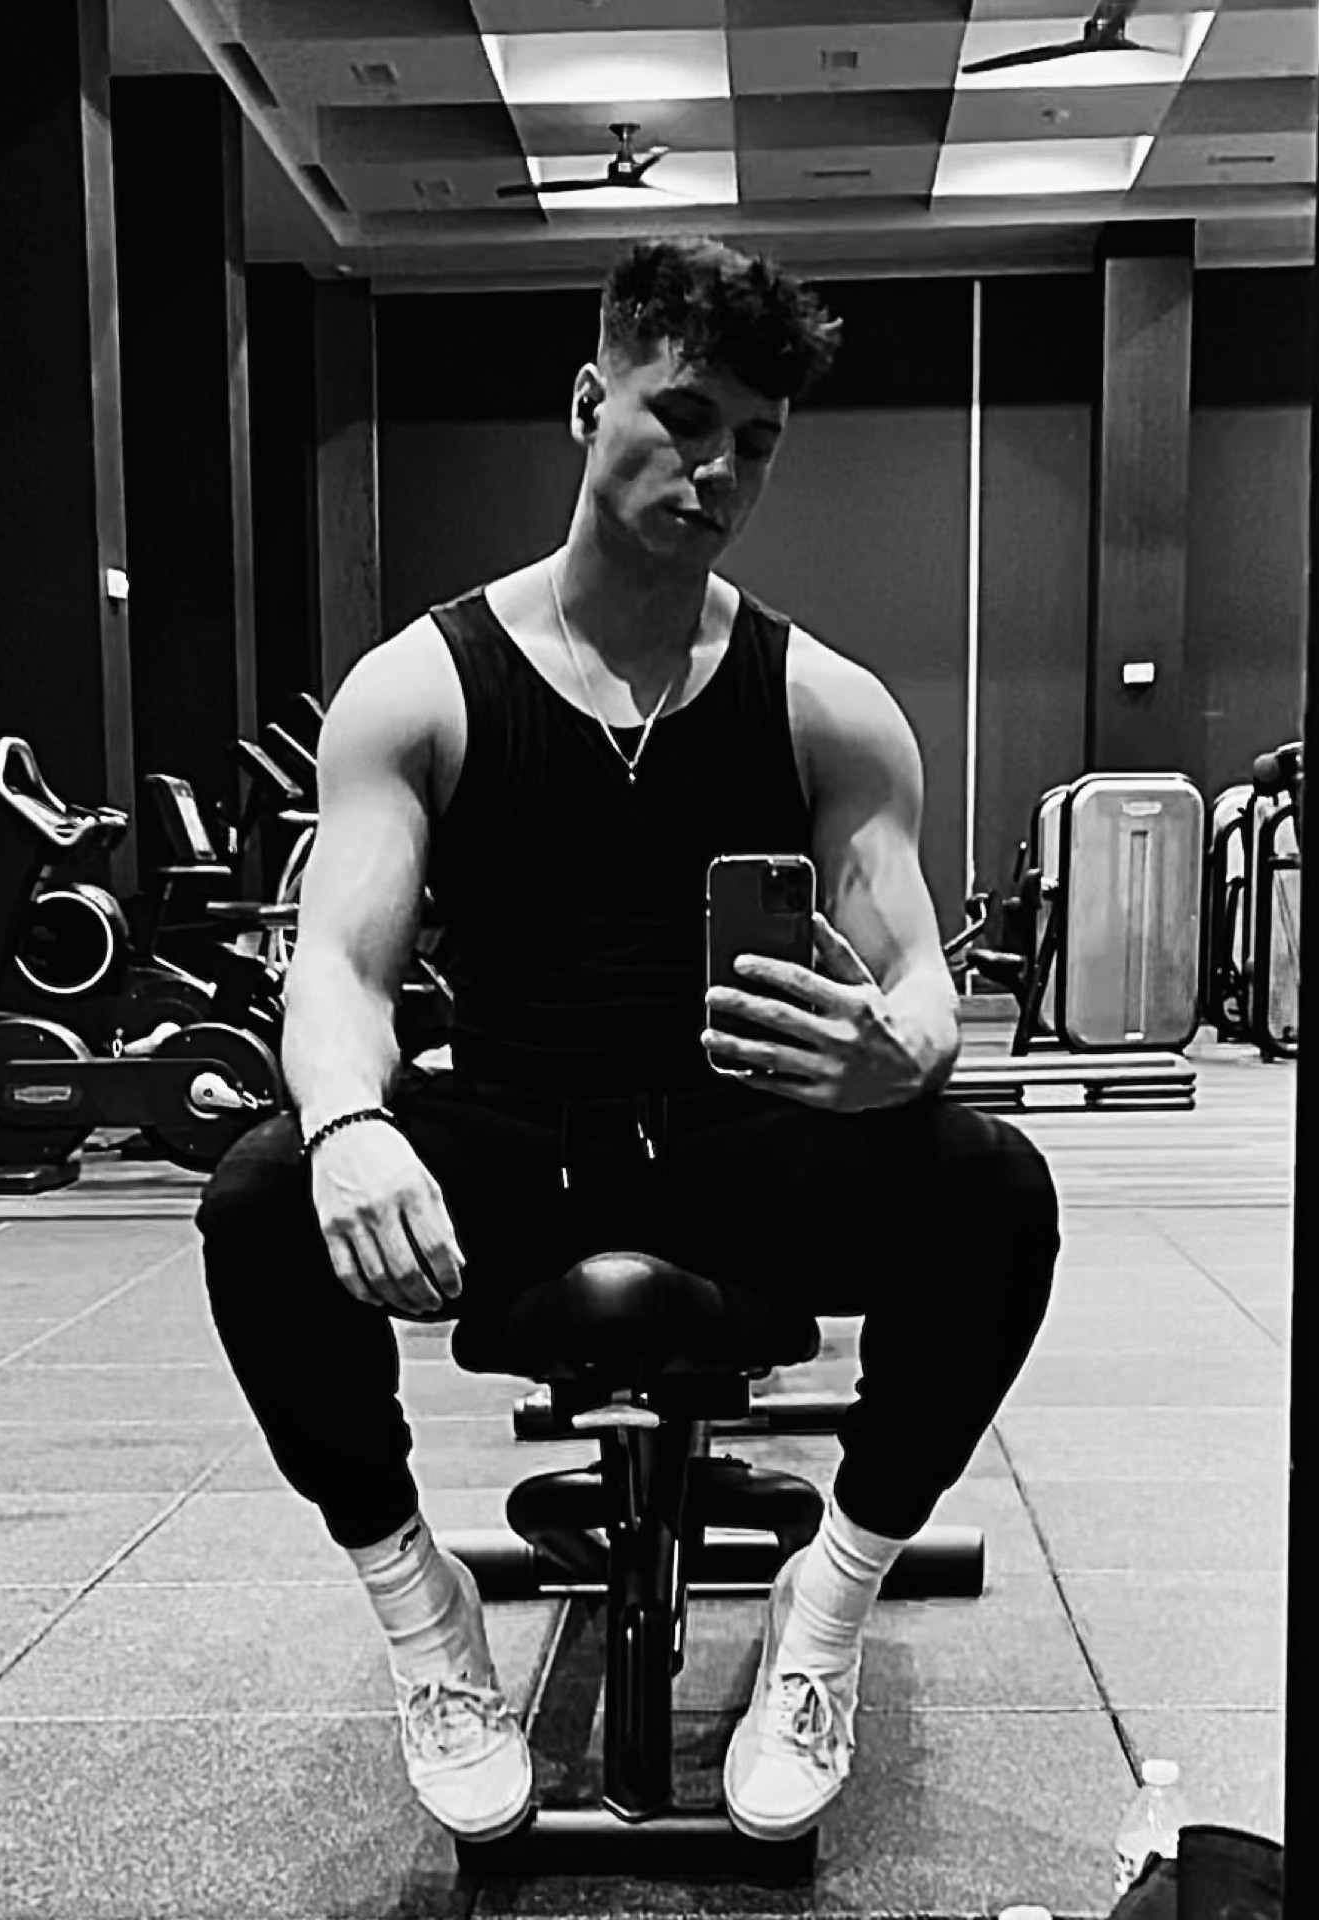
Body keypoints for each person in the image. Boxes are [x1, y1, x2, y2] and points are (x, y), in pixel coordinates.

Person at [197, 236, 1060, 1848]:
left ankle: (828, 1605)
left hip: (742, 1144)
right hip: (513, 1136)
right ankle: (423, 1618)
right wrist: (349, 1126)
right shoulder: (418, 688)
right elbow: (339, 973)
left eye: (757, 439)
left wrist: (900, 1052)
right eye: (685, 416)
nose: (718, 468)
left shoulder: (826, 702)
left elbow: (919, 976)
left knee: (994, 1187)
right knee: (257, 1195)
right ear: (590, 400)